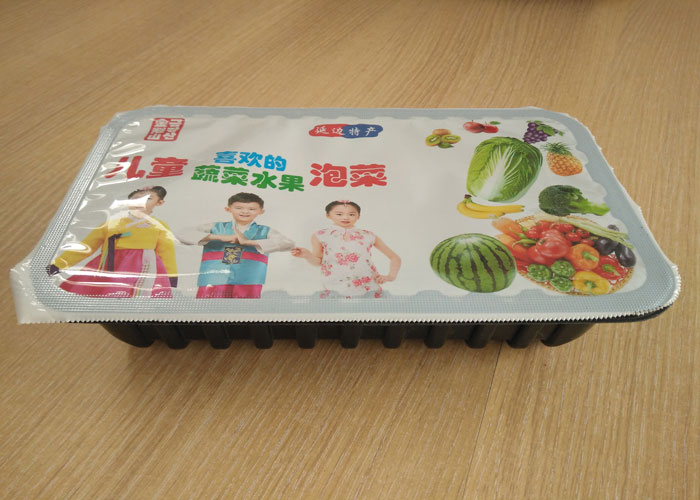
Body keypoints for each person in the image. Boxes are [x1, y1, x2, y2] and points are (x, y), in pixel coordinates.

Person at [48, 186, 177, 298]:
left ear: (159, 203)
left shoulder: (159, 226)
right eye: (135, 198)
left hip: (143, 265)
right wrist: (60, 264)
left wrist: (171, 276)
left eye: (148, 198)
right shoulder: (112, 222)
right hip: (109, 262)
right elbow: (87, 245)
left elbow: (166, 253)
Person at [177, 192, 294, 298]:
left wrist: (249, 242)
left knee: (243, 311)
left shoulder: (265, 231)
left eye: (252, 209)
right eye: (239, 208)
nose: (245, 211)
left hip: (249, 280)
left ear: (261, 211)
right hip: (213, 279)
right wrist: (220, 237)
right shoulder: (215, 227)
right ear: (228, 209)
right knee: (207, 310)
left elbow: (288, 243)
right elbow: (182, 235)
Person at [291, 200, 401, 298]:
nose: (345, 217)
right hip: (335, 286)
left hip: (368, 287)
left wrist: (391, 276)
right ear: (328, 215)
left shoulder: (368, 235)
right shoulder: (320, 235)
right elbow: (319, 262)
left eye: (351, 214)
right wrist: (307, 255)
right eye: (339, 214)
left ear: (358, 216)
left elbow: (394, 257)